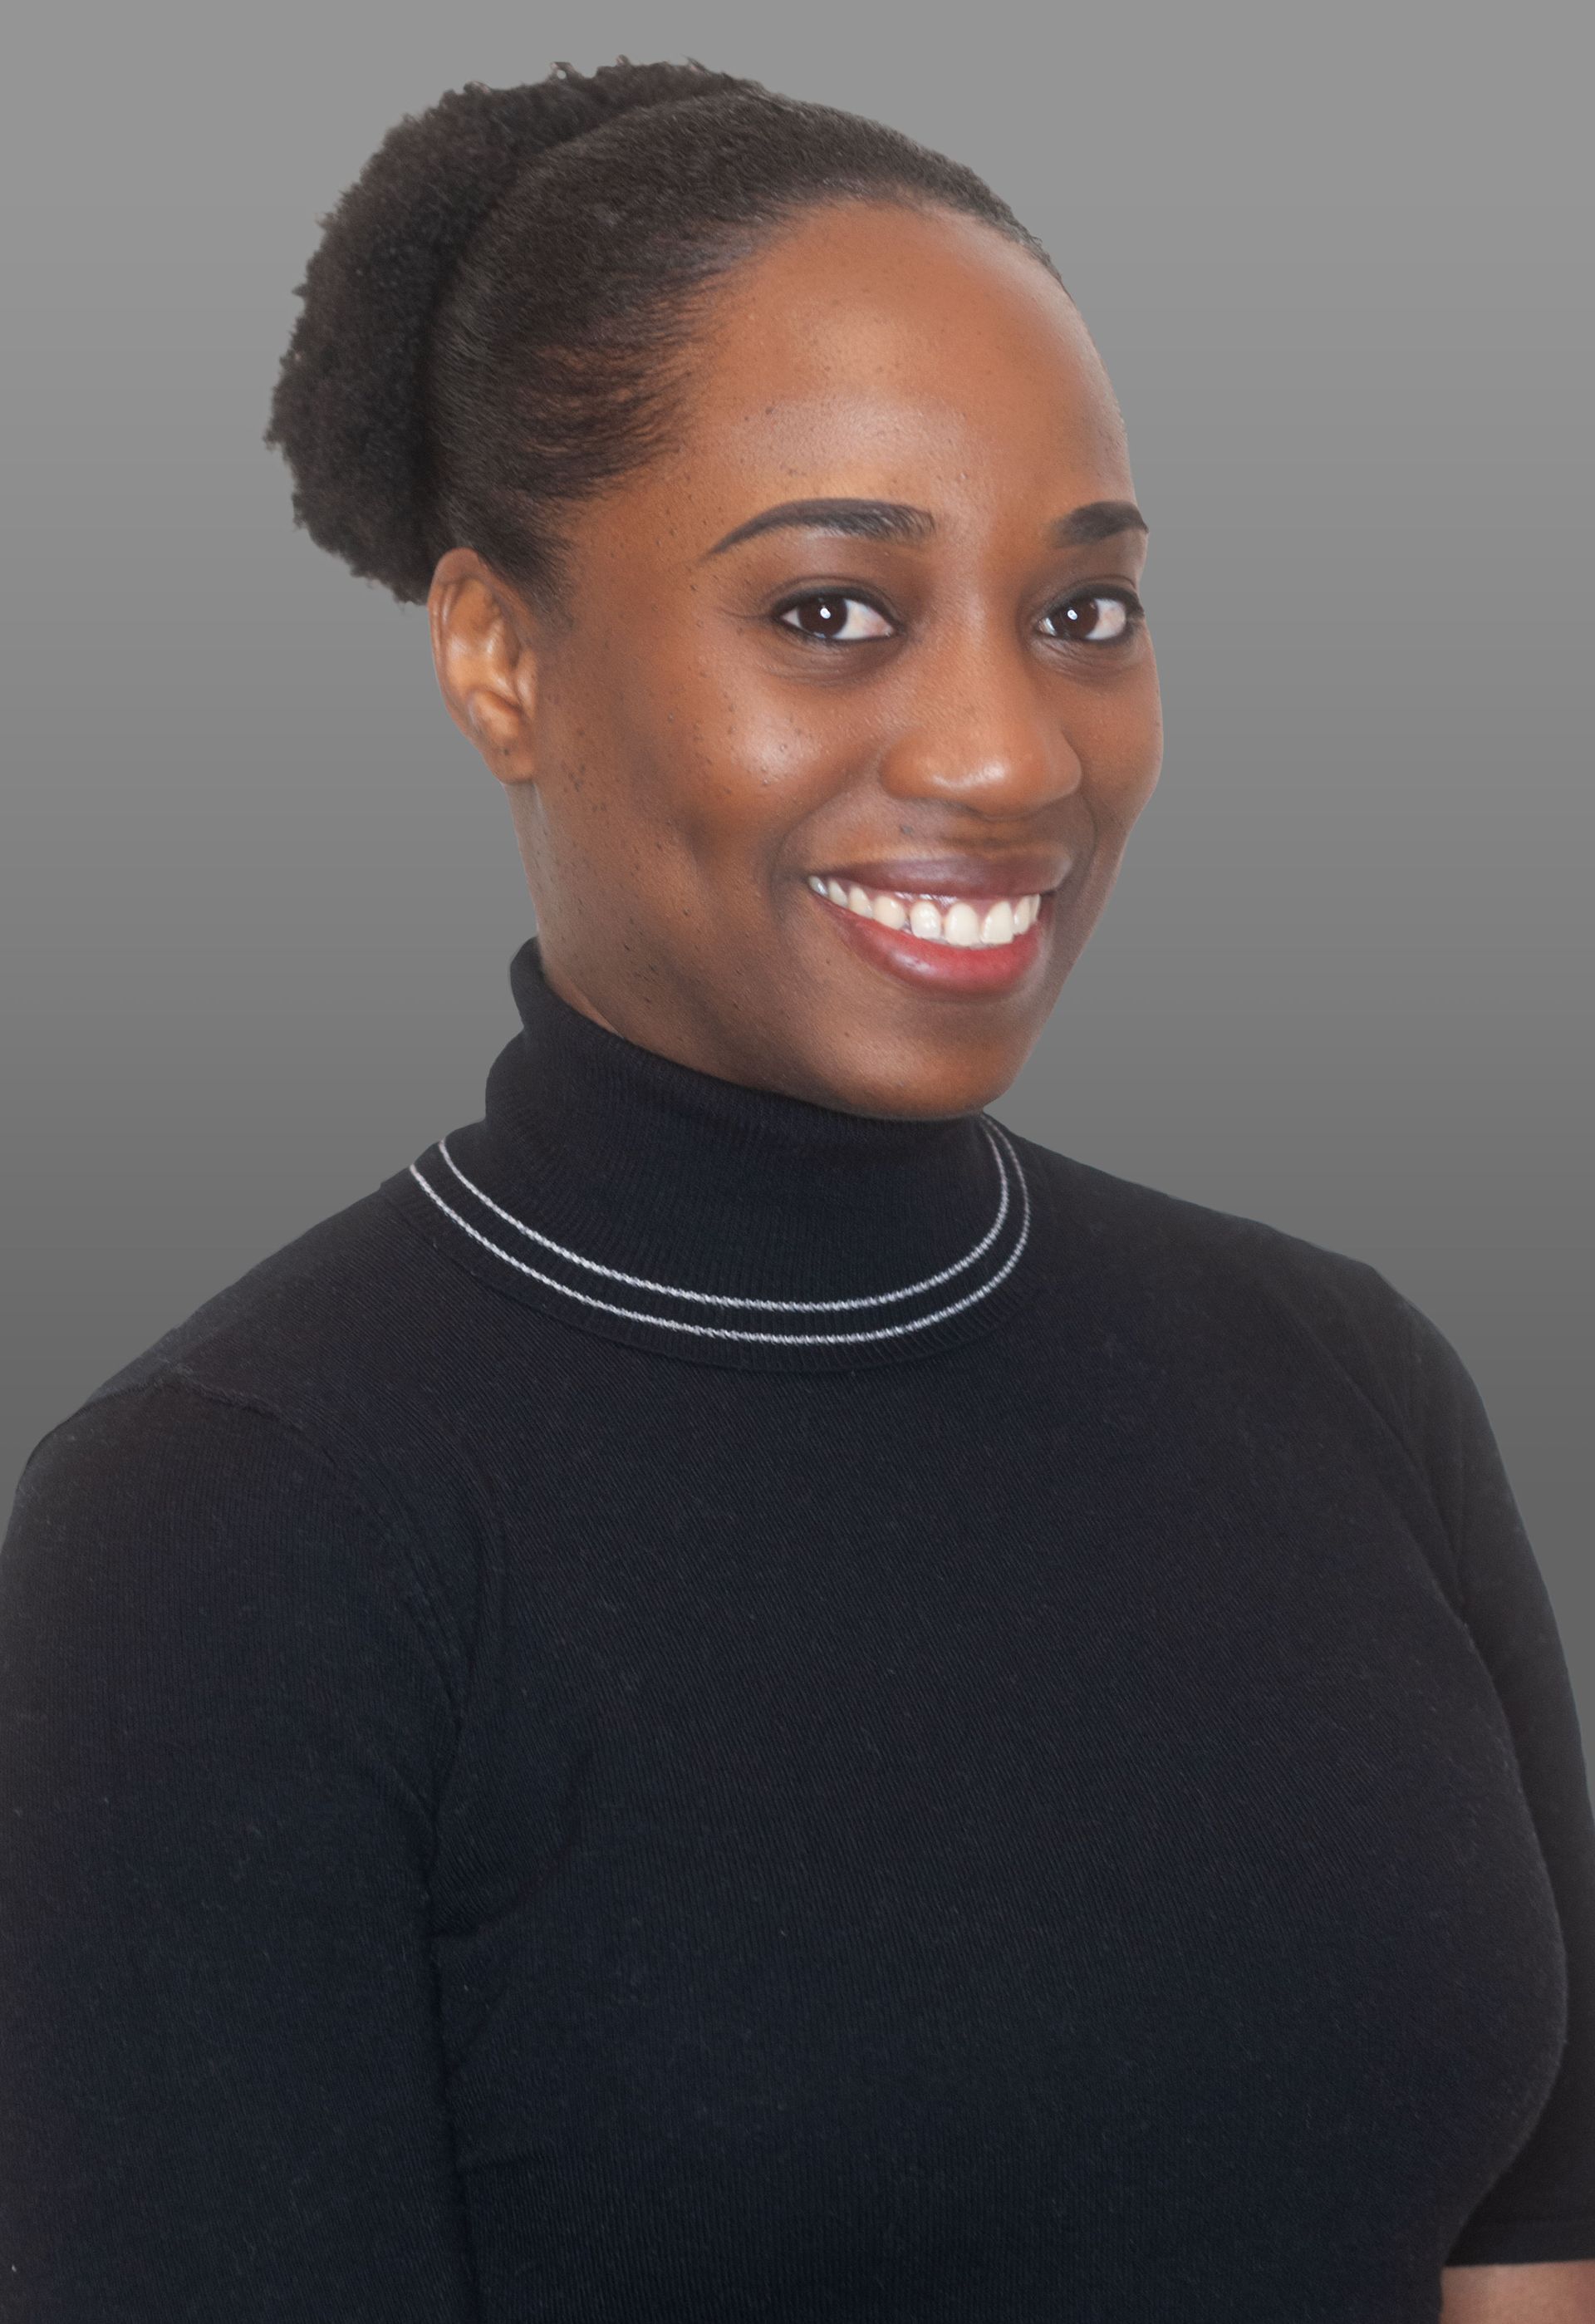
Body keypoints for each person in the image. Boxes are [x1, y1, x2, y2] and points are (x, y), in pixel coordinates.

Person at [0, 57, 1590, 2324]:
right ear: (497, 655)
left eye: (1085, 613)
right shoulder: (240, 1526)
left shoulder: (1351, 1381)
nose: (1009, 753)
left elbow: (1528, 2262)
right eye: (834, 611)